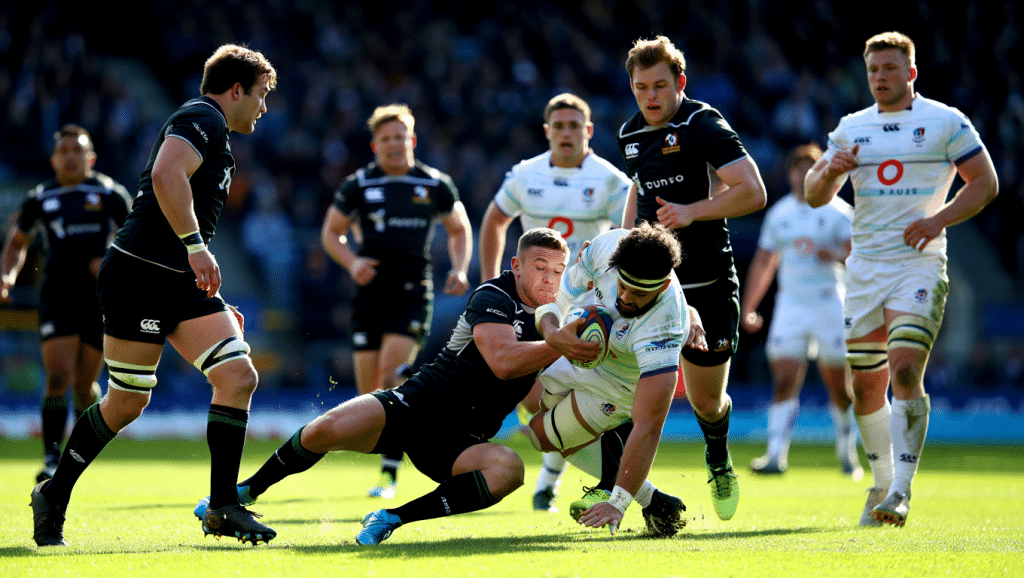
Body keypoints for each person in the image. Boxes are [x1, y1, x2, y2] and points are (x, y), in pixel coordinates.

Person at [30, 44, 279, 547]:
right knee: (126, 401)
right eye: (260, 95)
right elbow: (167, 174)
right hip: (141, 275)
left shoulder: (215, 130)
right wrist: (194, 247)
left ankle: (223, 506)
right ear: (236, 90)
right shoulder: (202, 115)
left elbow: (186, 203)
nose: (264, 108)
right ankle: (54, 493)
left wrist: (204, 276)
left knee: (237, 375)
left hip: (178, 280)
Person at [192, 228, 570, 545]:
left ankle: (391, 518)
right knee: (325, 430)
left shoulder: (557, 321)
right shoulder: (495, 295)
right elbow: (503, 363)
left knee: (510, 470)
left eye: (558, 270)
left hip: (460, 442)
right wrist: (564, 344)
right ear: (517, 267)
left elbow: (534, 391)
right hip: (419, 403)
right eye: (540, 267)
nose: (549, 278)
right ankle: (244, 491)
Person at [805, 31, 998, 527]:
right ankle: (882, 483)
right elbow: (813, 194)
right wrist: (829, 172)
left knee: (906, 368)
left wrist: (939, 220)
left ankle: (902, 492)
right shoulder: (853, 127)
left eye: (890, 69)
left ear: (910, 72)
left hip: (918, 262)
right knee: (865, 388)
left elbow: (986, 182)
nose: (881, 78)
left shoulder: (945, 121)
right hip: (864, 268)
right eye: (873, 71)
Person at [617, 36, 767, 521]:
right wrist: (623, 244)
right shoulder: (629, 134)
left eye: (661, 85)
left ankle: (718, 456)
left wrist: (692, 212)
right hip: (652, 288)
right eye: (641, 87)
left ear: (680, 83)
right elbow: (638, 191)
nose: (651, 96)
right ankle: (619, 491)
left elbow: (753, 191)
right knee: (623, 392)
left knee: (706, 401)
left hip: (708, 281)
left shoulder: (703, 124)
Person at [479, 92, 630, 512]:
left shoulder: (609, 180)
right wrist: (493, 281)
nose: (566, 133)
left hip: (589, 308)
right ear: (547, 132)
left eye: (574, 126)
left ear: (589, 131)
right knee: (534, 400)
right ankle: (556, 472)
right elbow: (494, 219)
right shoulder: (526, 175)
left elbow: (632, 234)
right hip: (535, 306)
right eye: (558, 126)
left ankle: (559, 478)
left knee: (586, 399)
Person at [321, 103, 472, 500]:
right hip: (370, 294)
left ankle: (389, 474)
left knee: (391, 376)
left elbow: (459, 228)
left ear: (413, 140)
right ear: (375, 144)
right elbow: (331, 233)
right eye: (386, 138)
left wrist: (459, 268)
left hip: (411, 291)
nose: (394, 144)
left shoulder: (434, 183)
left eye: (400, 136)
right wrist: (353, 263)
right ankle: (397, 447)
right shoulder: (358, 184)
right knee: (368, 394)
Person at [527, 223, 707, 537]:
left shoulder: (663, 326)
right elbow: (555, 299)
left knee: (540, 437)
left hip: (619, 386)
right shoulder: (606, 247)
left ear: (663, 288)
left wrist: (618, 502)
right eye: (622, 285)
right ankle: (653, 498)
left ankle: (640, 495)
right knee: (525, 393)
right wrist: (554, 334)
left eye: (638, 293)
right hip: (579, 349)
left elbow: (648, 425)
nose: (624, 297)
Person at [1, 124, 132, 484]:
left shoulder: (109, 193)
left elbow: (134, 238)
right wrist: (7, 276)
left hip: (98, 300)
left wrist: (108, 258)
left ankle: (80, 439)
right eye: (65, 150)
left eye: (79, 150)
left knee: (82, 386)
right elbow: (17, 244)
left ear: (90, 158)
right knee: (57, 375)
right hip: (57, 296)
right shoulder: (39, 198)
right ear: (54, 158)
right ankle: (50, 457)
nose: (71, 156)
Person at [740, 143, 860, 477]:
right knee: (784, 381)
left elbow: (858, 259)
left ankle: (847, 452)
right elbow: (765, 261)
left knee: (839, 386)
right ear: (791, 173)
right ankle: (776, 455)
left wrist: (834, 254)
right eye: (798, 167)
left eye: (811, 166)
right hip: (790, 305)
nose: (804, 173)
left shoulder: (839, 212)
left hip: (829, 304)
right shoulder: (780, 213)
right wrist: (749, 307)